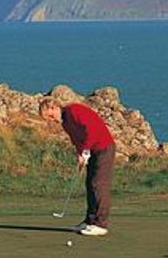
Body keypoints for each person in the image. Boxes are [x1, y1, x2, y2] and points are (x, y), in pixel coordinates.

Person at [39, 97, 116, 237]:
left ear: (54, 107)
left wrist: (86, 151)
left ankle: (101, 224)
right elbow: (77, 140)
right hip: (92, 150)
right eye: (48, 119)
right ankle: (90, 221)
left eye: (50, 116)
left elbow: (91, 129)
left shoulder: (74, 110)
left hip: (104, 147)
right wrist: (80, 155)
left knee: (99, 184)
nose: (51, 120)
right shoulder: (65, 123)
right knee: (90, 184)